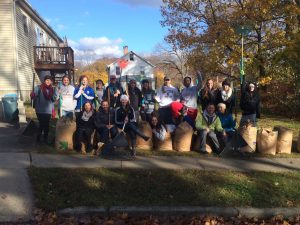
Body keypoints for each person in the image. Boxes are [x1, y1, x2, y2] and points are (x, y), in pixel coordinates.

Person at [30, 75, 56, 144]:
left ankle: (45, 139)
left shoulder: (52, 89)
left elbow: (53, 100)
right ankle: (38, 139)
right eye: (47, 80)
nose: (48, 81)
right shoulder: (38, 88)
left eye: (49, 80)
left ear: (51, 82)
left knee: (47, 125)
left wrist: (53, 110)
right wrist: (32, 94)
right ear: (44, 81)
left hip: (48, 110)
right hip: (40, 109)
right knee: (41, 124)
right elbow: (33, 95)